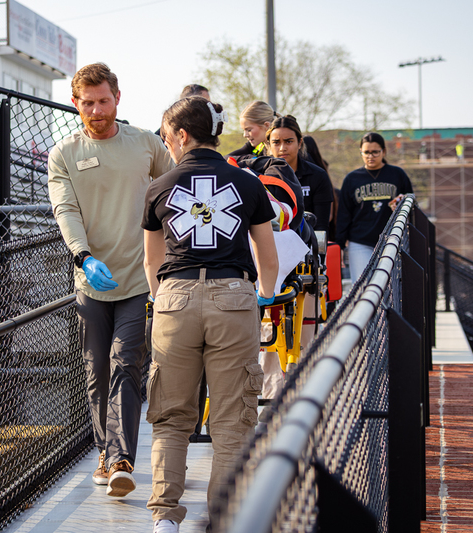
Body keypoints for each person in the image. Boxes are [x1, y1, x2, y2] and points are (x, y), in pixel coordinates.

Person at [142, 96, 279, 533]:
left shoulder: (159, 187)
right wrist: (264, 297)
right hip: (234, 296)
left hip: (174, 298)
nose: (168, 146)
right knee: (232, 419)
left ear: (182, 135)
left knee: (170, 416)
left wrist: (162, 300)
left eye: (167, 138)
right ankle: (223, 517)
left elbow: (151, 263)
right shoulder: (246, 183)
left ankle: (165, 517)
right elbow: (268, 255)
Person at [47, 62, 174, 498]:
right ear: (75, 104)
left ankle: (121, 458)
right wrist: (82, 257)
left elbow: (175, 185)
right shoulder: (64, 153)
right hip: (91, 282)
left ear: (117, 99)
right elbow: (66, 210)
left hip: (141, 278)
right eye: (89, 103)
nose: (97, 110)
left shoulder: (145, 143)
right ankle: (104, 450)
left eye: (104, 100)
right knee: (96, 370)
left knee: (126, 364)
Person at [336, 132, 413, 282]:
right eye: (366, 152)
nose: (370, 156)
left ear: (383, 152)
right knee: (362, 286)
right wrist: (339, 245)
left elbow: (411, 203)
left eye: (375, 152)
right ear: (361, 153)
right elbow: (344, 214)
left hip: (392, 239)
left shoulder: (397, 174)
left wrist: (402, 201)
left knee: (391, 287)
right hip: (360, 241)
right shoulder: (352, 178)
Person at [266, 117, 335, 238]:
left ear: (300, 143)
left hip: (308, 247)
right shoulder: (259, 176)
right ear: (269, 145)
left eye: (289, 141)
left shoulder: (318, 175)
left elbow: (321, 226)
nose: (282, 148)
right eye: (276, 142)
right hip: (271, 245)